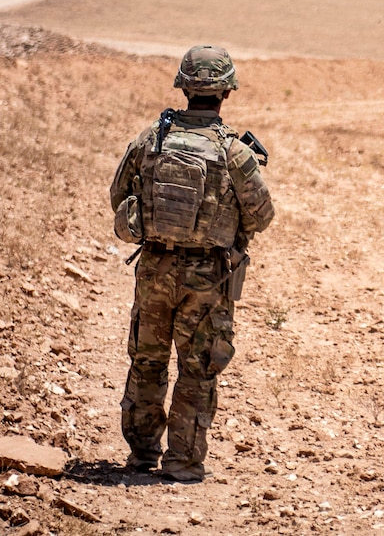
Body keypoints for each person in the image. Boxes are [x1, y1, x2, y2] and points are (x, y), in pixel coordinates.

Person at [109, 45, 274, 482]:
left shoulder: (152, 139)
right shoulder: (234, 152)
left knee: (147, 361)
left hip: (154, 270)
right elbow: (263, 215)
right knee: (197, 369)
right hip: (207, 278)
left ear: (183, 87)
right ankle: (182, 461)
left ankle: (141, 454)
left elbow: (117, 197)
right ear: (226, 92)